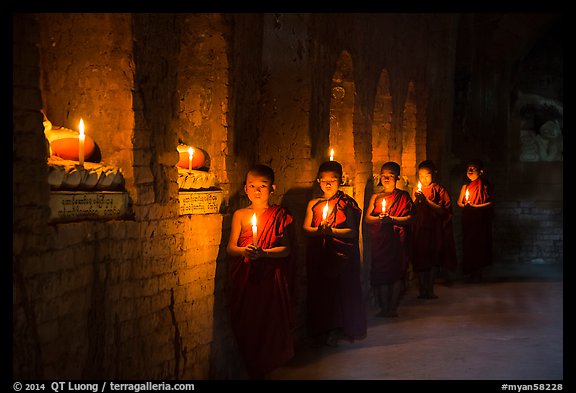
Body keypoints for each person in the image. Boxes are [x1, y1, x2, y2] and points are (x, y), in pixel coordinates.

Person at [226, 164, 295, 379]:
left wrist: (264, 253)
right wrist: (244, 250)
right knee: (247, 321)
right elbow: (231, 247)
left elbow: (286, 249)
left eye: (262, 186)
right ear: (245, 188)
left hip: (269, 276)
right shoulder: (239, 214)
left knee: (269, 320)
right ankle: (252, 366)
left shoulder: (279, 215)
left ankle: (267, 366)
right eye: (252, 186)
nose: (257, 191)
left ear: (272, 188)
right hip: (245, 275)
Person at [303, 160, 366, 347]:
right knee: (322, 293)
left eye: (333, 179)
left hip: (341, 255)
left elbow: (353, 232)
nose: (328, 184)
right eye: (324, 180)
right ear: (318, 181)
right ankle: (322, 329)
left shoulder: (346, 203)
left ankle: (340, 329)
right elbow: (306, 228)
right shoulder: (314, 203)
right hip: (319, 253)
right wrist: (319, 232)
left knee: (341, 292)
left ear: (341, 180)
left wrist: (332, 232)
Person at [365, 162, 414, 317]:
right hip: (379, 240)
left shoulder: (403, 196)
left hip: (396, 241)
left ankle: (392, 308)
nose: (386, 178)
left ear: (397, 177)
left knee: (395, 273)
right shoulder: (376, 196)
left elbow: (410, 219)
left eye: (391, 175)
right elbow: (367, 219)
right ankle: (383, 308)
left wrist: (392, 219)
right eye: (384, 175)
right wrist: (380, 219)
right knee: (380, 274)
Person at [411, 160, 458, 299]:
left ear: (434, 175)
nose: (424, 179)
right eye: (421, 175)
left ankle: (430, 289)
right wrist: (417, 201)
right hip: (419, 228)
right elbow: (412, 209)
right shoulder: (416, 190)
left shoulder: (440, 190)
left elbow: (443, 211)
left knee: (432, 260)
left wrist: (426, 201)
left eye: (427, 175)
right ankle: (421, 290)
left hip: (433, 229)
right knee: (420, 259)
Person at [457, 159, 494, 283]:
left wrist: (475, 207)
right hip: (469, 219)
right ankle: (471, 272)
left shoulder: (485, 185)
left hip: (481, 220)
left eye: (473, 169)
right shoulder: (466, 186)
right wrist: (466, 206)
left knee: (480, 246)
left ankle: (479, 272)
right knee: (469, 246)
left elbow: (490, 203)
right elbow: (459, 202)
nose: (470, 171)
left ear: (481, 171)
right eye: (468, 169)